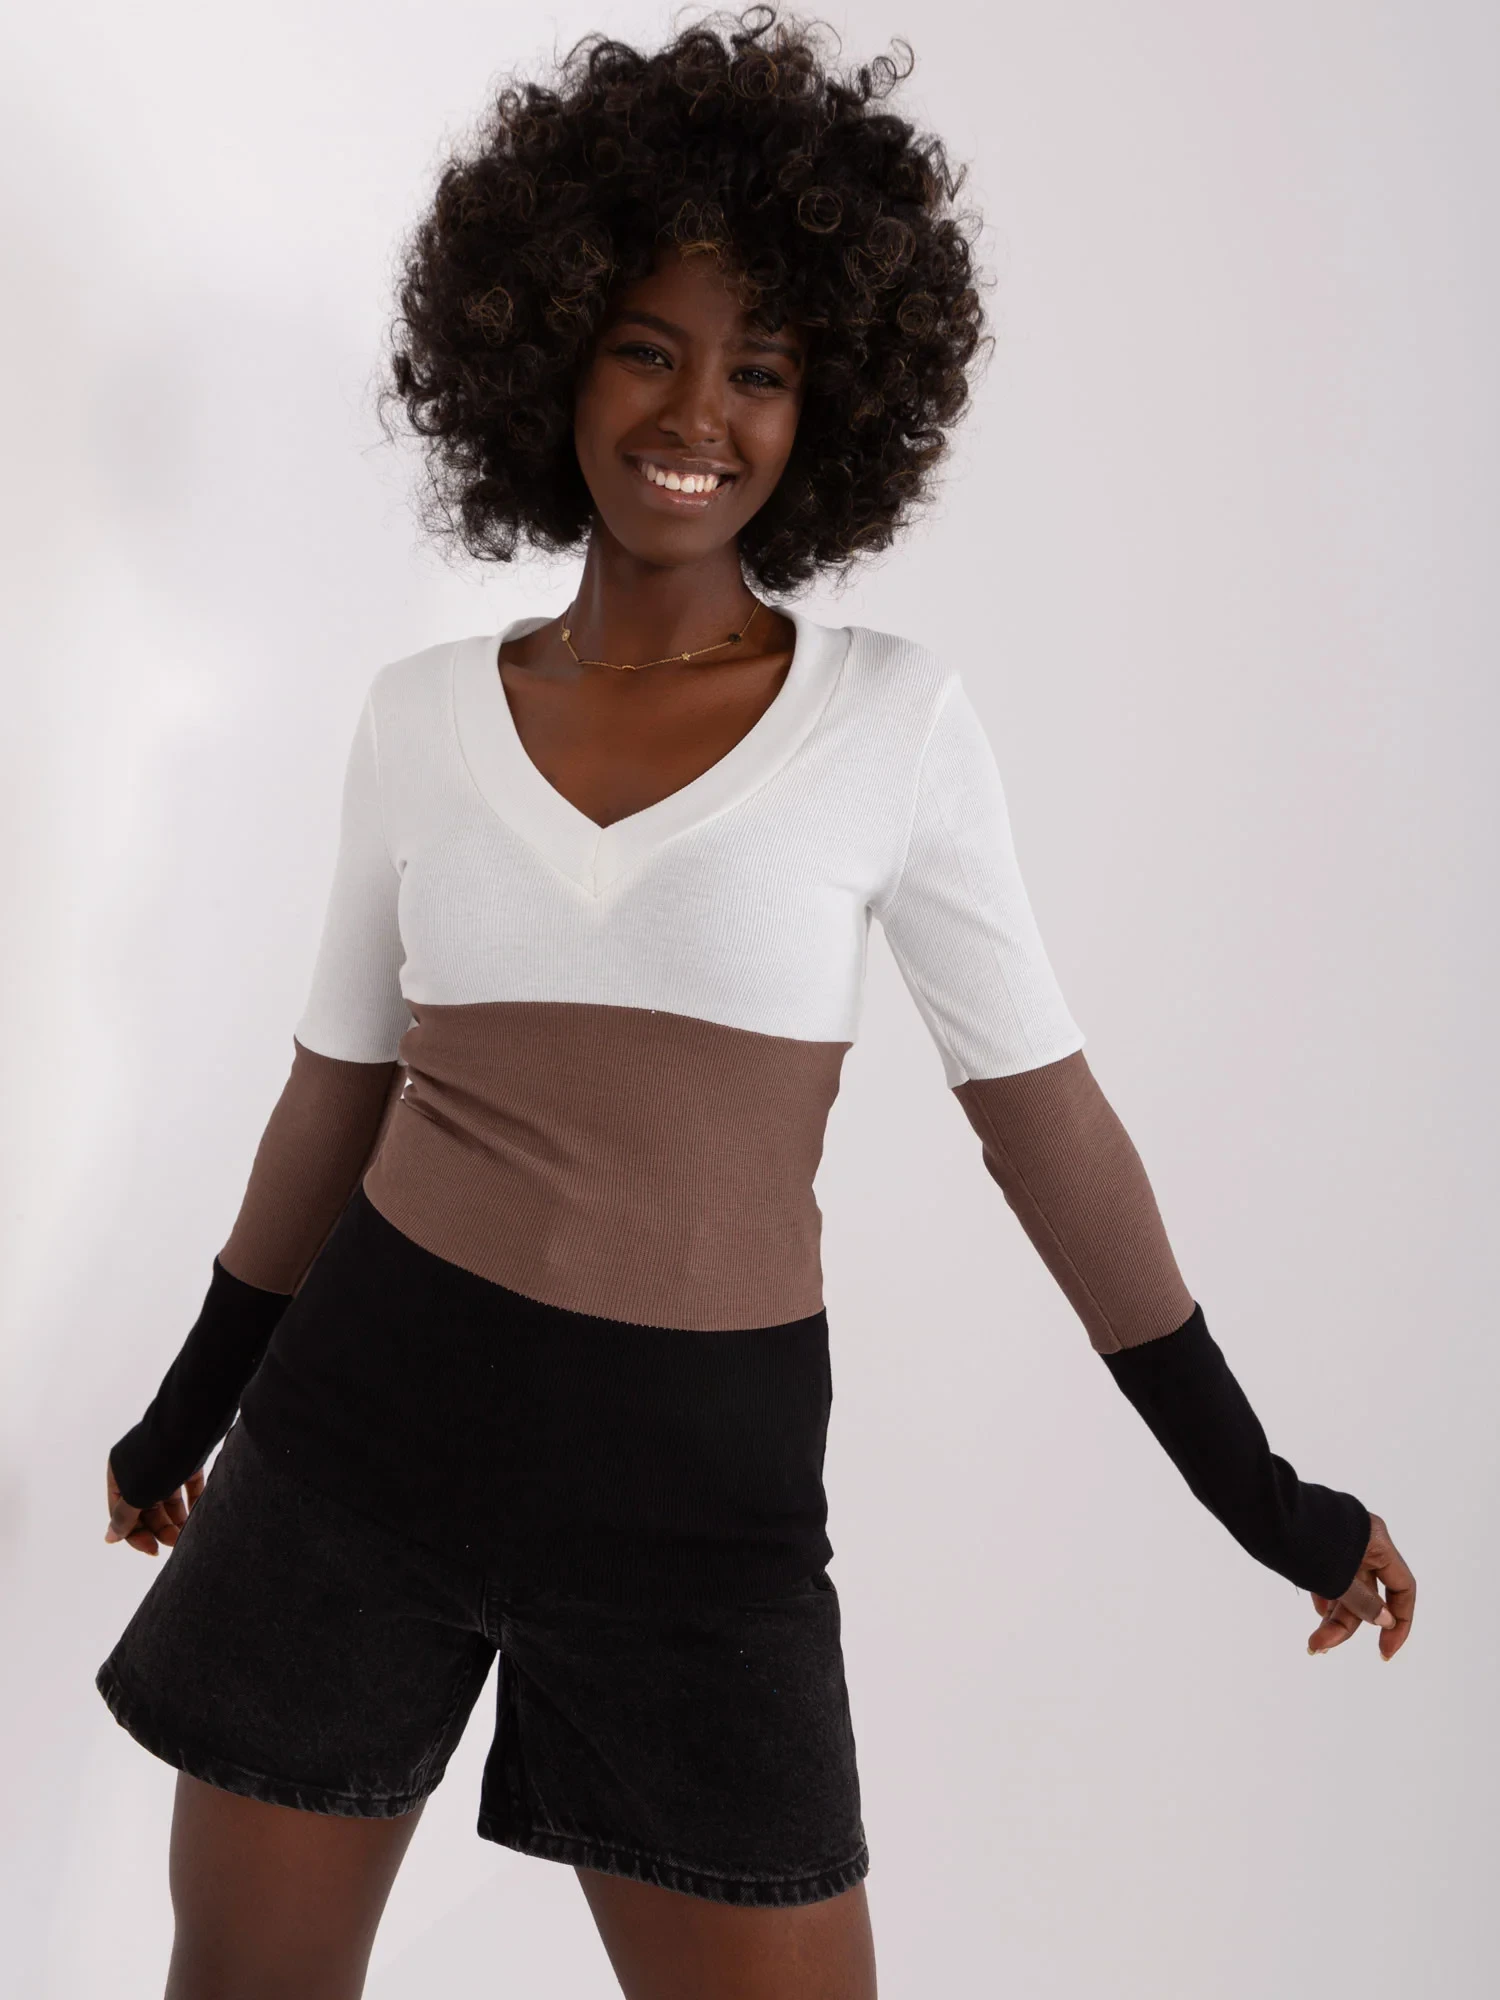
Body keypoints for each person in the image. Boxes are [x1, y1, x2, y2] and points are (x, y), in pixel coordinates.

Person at [94, 9, 1415, 1997]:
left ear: (832, 411)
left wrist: (1263, 1494)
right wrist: (183, 1413)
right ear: (549, 351)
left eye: (763, 369)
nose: (696, 413)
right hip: (352, 1465)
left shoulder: (892, 724)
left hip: (698, 1536)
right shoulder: (422, 720)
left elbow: (1051, 1135)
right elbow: (331, 1099)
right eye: (647, 346)